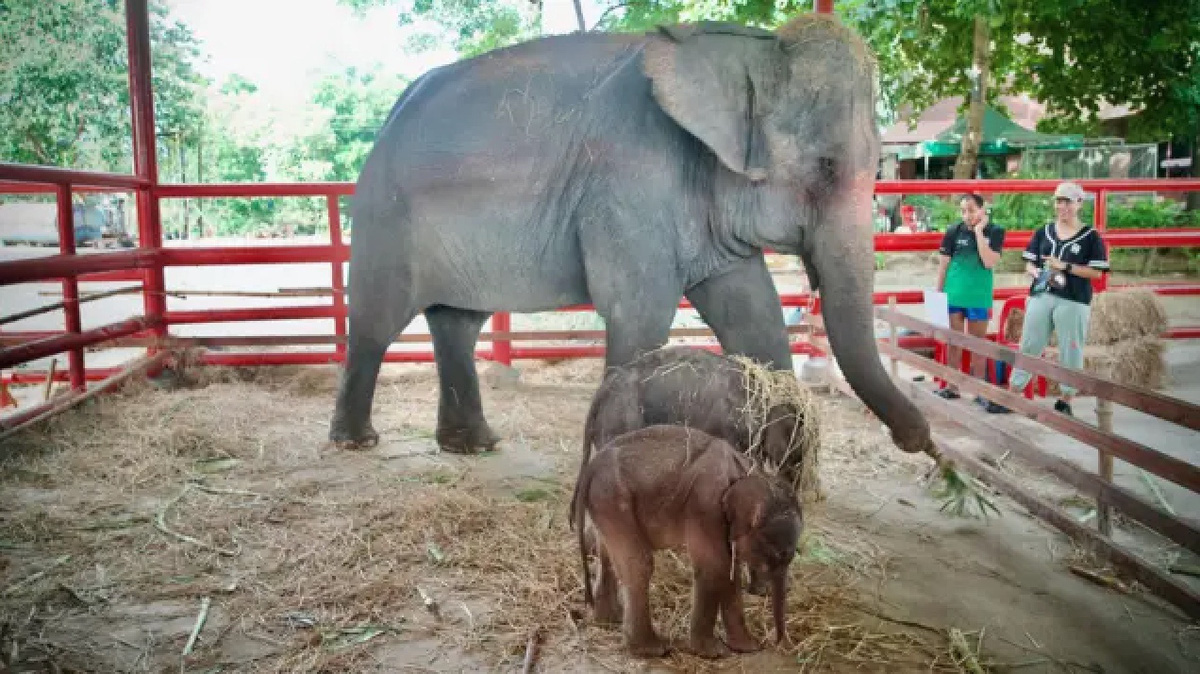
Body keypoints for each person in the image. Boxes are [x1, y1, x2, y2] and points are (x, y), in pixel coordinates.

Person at [993, 181, 1110, 416]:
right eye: (1058, 200)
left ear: (1079, 203)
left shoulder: (1090, 237)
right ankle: (1014, 393)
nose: (1062, 206)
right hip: (1042, 294)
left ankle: (1066, 399)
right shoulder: (1043, 231)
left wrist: (1065, 267)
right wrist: (1033, 271)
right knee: (1030, 342)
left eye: (1067, 201)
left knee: (1071, 347)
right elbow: (1030, 261)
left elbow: (1097, 272)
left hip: (1073, 299)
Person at [934, 193, 1005, 411]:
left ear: (983, 210)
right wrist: (939, 293)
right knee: (954, 341)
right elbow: (944, 265)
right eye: (963, 211)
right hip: (954, 293)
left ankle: (979, 390)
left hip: (978, 296)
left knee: (978, 344)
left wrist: (979, 231)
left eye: (972, 210)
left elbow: (988, 260)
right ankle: (952, 386)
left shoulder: (995, 231)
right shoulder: (953, 231)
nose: (967, 215)